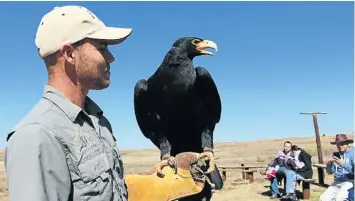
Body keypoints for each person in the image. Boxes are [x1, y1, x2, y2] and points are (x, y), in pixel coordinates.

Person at [4, 5, 133, 201]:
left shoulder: (99, 123)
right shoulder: (36, 136)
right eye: (102, 48)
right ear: (69, 53)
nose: (111, 58)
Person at [320, 134, 354, 201]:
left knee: (339, 198)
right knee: (323, 199)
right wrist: (329, 165)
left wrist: (343, 164)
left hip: (350, 181)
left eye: (342, 144)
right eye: (338, 144)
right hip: (337, 182)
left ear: (347, 143)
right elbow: (330, 172)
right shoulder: (336, 155)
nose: (339, 146)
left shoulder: (353, 153)